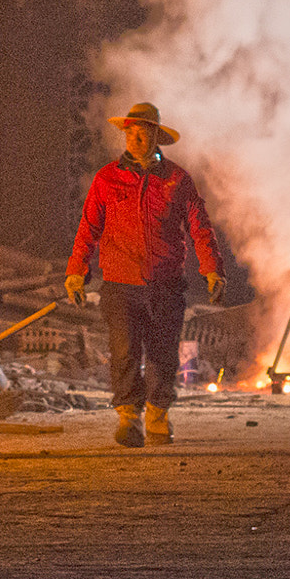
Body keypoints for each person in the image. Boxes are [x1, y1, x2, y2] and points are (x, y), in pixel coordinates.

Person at [66, 102, 224, 448]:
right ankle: (128, 418)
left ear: (156, 137)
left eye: (144, 132)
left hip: (165, 285)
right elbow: (89, 227)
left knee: (162, 354)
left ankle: (157, 415)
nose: (136, 138)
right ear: (125, 135)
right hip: (121, 284)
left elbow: (200, 227)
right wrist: (76, 272)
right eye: (131, 132)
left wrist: (212, 270)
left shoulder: (177, 180)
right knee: (124, 352)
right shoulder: (107, 179)